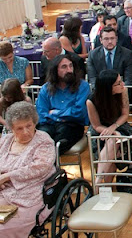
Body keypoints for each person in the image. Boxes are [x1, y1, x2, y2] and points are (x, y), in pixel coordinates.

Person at [0, 102, 56, 238]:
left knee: (4, 229)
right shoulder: (5, 141)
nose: (26, 132)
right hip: (4, 191)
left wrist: (7, 176)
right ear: (11, 128)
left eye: (29, 126)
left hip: (31, 193)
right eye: (19, 128)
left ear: (35, 123)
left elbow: (40, 167)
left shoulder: (44, 140)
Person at [86, 69, 132, 183]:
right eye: (118, 83)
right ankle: (103, 186)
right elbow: (96, 125)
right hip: (100, 129)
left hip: (119, 124)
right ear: (109, 88)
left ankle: (99, 182)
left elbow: (124, 114)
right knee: (111, 149)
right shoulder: (91, 101)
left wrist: (114, 128)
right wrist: (111, 132)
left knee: (113, 143)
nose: (122, 84)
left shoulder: (123, 91)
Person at [36, 54, 90, 154]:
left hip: (72, 125)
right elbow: (42, 113)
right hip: (49, 124)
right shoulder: (46, 88)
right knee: (41, 138)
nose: (69, 70)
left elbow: (79, 113)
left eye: (71, 66)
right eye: (64, 67)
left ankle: (47, 166)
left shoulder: (83, 86)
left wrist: (54, 113)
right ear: (55, 70)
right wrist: (62, 116)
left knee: (57, 144)